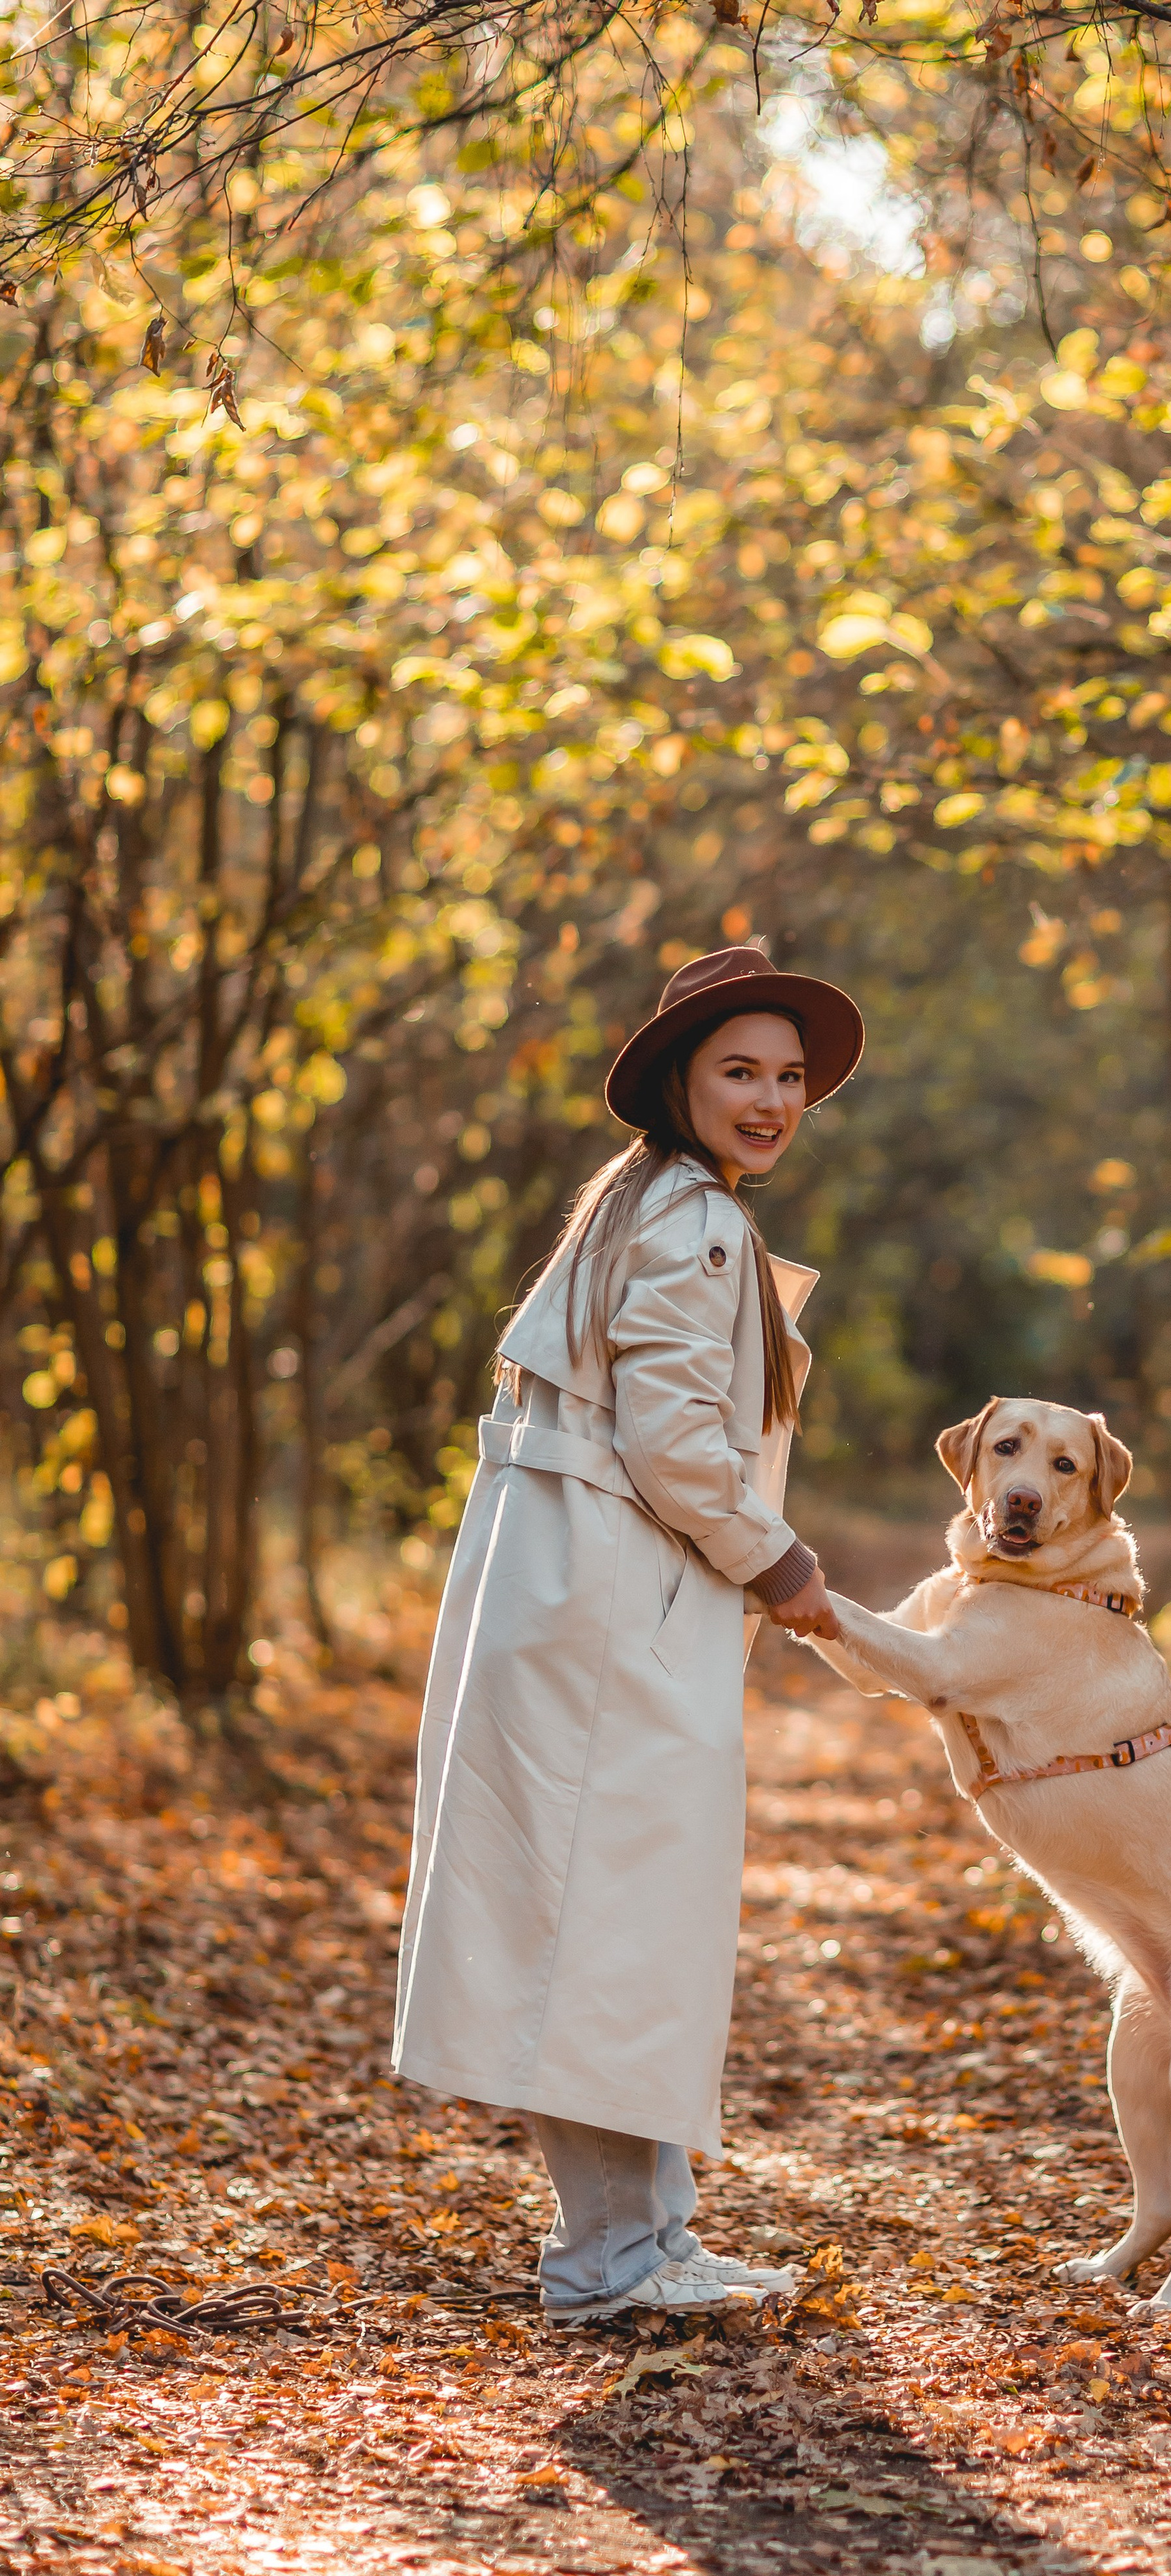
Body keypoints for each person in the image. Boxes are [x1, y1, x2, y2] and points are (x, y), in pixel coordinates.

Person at [392, 944, 861, 2323]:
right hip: (609, 1609)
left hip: (580, 1599)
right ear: (680, 1079)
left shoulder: (650, 1204)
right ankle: (611, 2257)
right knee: (604, 1928)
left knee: (608, 1927)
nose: (769, 1099)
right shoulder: (692, 1220)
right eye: (739, 1072)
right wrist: (779, 1567)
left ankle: (646, 2240)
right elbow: (670, 1443)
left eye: (785, 1078)